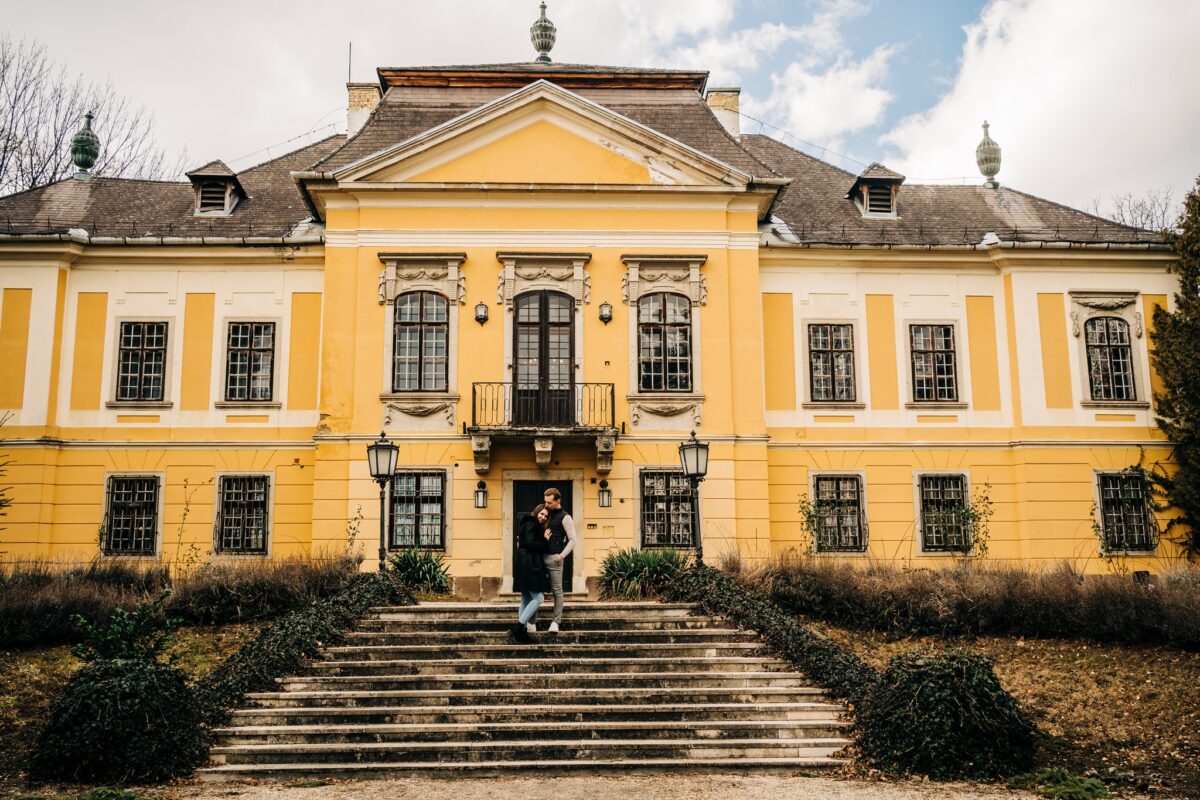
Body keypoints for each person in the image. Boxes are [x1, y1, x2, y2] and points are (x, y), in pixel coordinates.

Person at [510, 503, 550, 644]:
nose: (543, 517)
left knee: (526, 599)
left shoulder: (529, 524)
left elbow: (527, 543)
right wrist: (544, 539)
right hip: (529, 564)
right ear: (536, 511)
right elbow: (530, 543)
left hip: (525, 563)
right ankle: (519, 627)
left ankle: (522, 632)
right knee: (539, 598)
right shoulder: (531, 523)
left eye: (545, 516)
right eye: (542, 513)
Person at [541, 487, 576, 634]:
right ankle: (531, 623)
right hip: (540, 557)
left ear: (558, 500)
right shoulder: (544, 513)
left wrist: (561, 556)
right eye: (545, 502)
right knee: (536, 590)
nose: (547, 505)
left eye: (549, 503)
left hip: (555, 558)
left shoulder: (565, 517)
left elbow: (573, 540)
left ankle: (556, 622)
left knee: (557, 591)